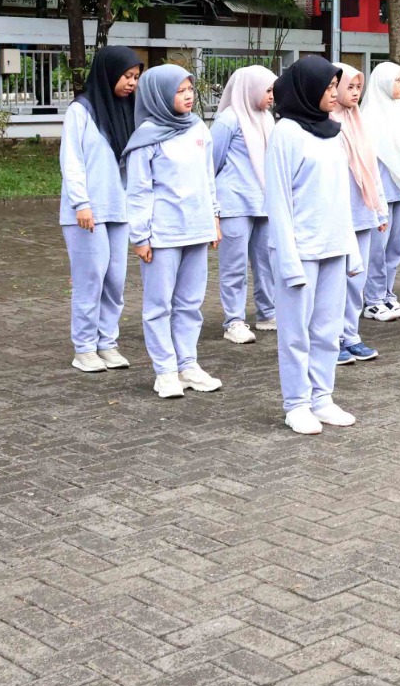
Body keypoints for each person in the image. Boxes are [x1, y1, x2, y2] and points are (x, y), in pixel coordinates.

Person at [265, 57, 358, 434]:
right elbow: (278, 200)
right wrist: (288, 259)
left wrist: (350, 247)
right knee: (295, 332)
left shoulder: (334, 131)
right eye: (328, 87)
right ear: (307, 89)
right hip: (300, 249)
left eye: (336, 86)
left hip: (334, 245)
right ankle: (296, 403)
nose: (334, 93)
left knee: (327, 329)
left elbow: (341, 195)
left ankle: (322, 397)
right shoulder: (286, 132)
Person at [123, 64, 222, 399]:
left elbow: (209, 179)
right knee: (158, 305)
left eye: (189, 89)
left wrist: (214, 219)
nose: (188, 96)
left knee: (190, 304)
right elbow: (138, 190)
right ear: (159, 95)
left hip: (197, 229)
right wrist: (140, 236)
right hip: (163, 233)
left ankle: (188, 364)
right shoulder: (147, 136)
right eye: (180, 91)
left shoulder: (199, 129)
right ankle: (165, 371)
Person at [59, 46, 142, 373]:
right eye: (126, 76)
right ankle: (84, 347)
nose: (131, 83)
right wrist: (81, 203)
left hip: (119, 210)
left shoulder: (129, 111)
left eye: (136, 77)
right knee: (90, 279)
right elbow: (72, 161)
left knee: (115, 280)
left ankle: (107, 342)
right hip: (87, 212)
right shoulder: (81, 112)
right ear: (108, 72)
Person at [210, 65, 277, 344]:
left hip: (263, 202)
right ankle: (234, 320)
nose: (273, 96)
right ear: (250, 89)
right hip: (234, 202)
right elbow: (211, 160)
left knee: (266, 261)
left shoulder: (266, 118)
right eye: (268, 90)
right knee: (234, 265)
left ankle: (268, 313)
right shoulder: (229, 119)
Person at [331, 64, 389, 366]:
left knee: (357, 278)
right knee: (336, 279)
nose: (354, 93)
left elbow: (371, 167)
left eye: (358, 88)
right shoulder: (328, 122)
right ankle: (333, 338)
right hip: (339, 214)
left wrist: (380, 209)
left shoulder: (358, 120)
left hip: (363, 209)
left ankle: (351, 334)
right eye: (349, 87)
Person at [361, 61, 400, 322]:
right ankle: (372, 299)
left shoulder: (399, 112)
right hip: (379, 194)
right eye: (397, 80)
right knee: (376, 248)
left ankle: (386, 294)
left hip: (399, 190)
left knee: (396, 248)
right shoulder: (368, 117)